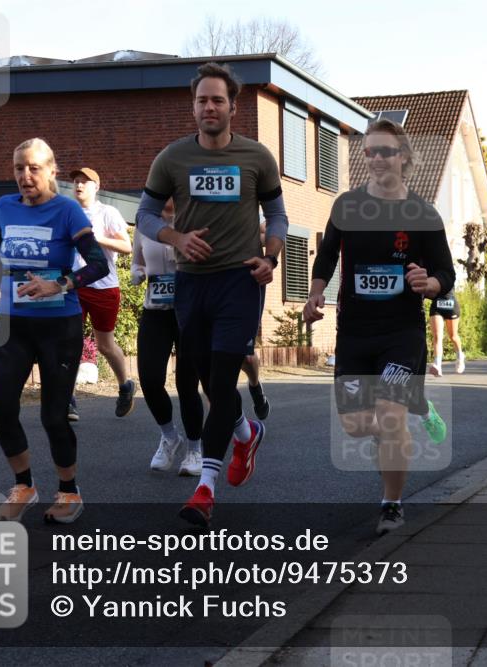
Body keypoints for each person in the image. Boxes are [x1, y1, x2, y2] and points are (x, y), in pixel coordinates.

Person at [136, 62, 288, 529]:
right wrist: (176, 238)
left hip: (239, 282)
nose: (209, 107)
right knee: (208, 382)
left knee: (221, 382)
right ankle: (246, 432)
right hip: (191, 283)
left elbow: (278, 216)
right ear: (193, 106)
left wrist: (271, 256)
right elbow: (144, 215)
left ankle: (205, 488)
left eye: (218, 99)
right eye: (202, 100)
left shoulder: (257, 157)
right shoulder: (172, 158)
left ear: (232, 107)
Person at [304, 118, 454, 536]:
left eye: (386, 151)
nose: (377, 159)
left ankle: (391, 505)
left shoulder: (422, 214)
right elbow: (326, 256)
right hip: (355, 332)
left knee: (389, 416)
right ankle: (409, 415)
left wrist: (429, 283)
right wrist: (315, 294)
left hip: (402, 333)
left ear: (403, 156)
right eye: (370, 151)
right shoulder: (347, 207)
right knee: (355, 425)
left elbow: (446, 272)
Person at [0, 138, 109, 523]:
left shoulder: (67, 210)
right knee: (2, 408)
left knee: (54, 416)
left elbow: (99, 264)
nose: (25, 176)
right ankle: (24, 486)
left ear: (52, 171)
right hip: (11, 324)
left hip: (58, 327)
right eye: (19, 168)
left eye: (34, 168)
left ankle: (69, 491)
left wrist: (61, 284)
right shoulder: (4, 206)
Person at [131, 198, 204, 475]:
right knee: (149, 380)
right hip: (155, 311)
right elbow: (137, 261)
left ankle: (195, 449)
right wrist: (138, 273)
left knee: (187, 384)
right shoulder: (144, 223)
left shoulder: (193, 220)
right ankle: (170, 437)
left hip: (189, 313)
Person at [64, 167, 134, 421]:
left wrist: (97, 238)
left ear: (96, 186)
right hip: (75, 285)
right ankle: (68, 399)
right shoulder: (67, 212)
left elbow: (127, 246)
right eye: (76, 181)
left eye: (85, 182)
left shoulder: (108, 212)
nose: (79, 185)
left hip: (104, 286)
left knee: (105, 345)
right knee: (70, 343)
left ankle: (125, 385)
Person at [240, 216, 270, 420]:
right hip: (215, 279)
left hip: (247, 281)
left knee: (246, 356)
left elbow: (271, 233)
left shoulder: (254, 210)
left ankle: (255, 386)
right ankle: (231, 420)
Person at [428, 291, 464, 376]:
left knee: (453, 336)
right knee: (437, 336)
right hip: (437, 307)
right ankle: (437, 365)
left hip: (450, 304)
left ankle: (460, 356)